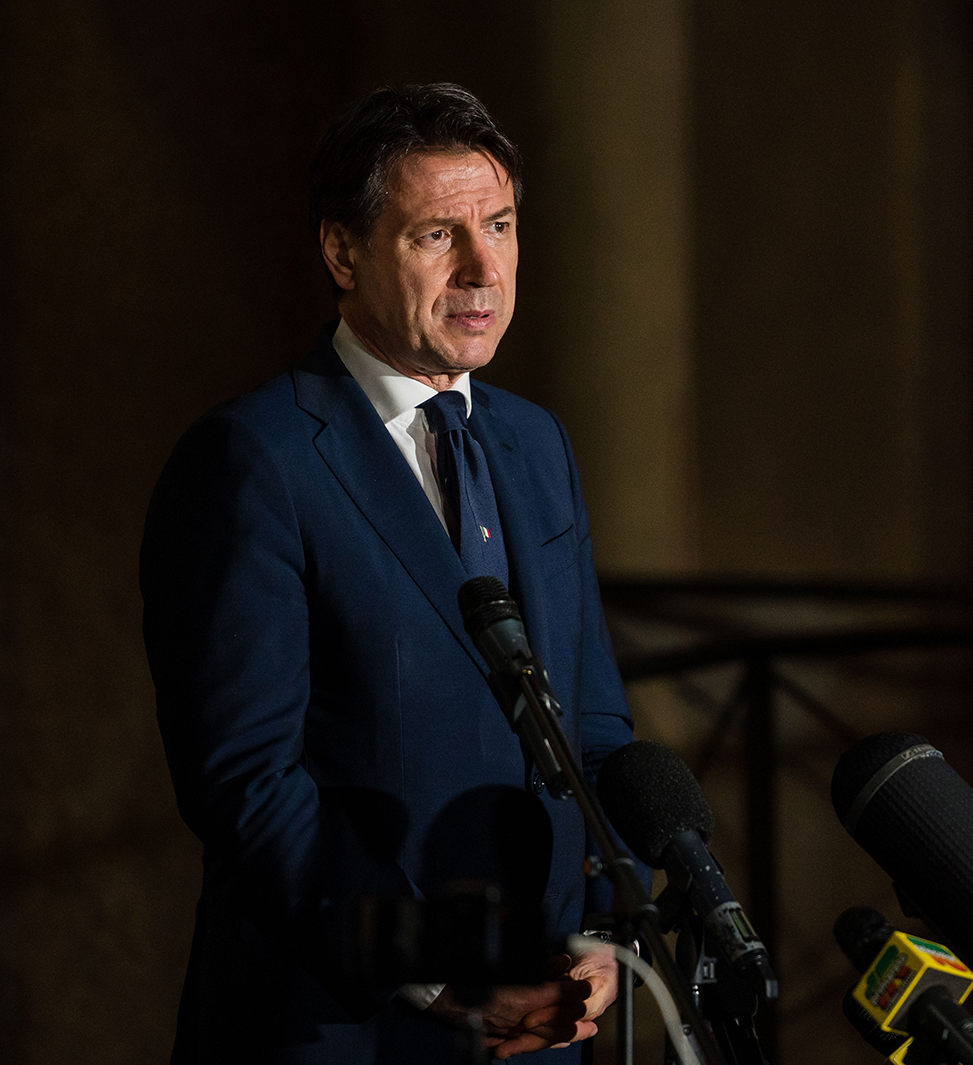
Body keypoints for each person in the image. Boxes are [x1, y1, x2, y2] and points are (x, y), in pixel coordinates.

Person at [141, 83, 637, 1063]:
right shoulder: (256, 460)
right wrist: (444, 973)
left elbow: (593, 721)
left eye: (499, 225)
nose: (483, 268)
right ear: (343, 252)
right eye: (437, 235)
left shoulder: (537, 443)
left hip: (547, 1024)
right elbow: (247, 782)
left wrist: (604, 928)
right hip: (348, 1025)